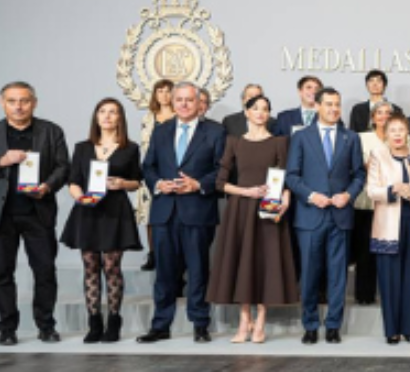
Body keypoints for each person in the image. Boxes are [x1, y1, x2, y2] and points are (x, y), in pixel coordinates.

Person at [0, 81, 70, 345]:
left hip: (38, 212)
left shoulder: (51, 131)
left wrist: (47, 187)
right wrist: (2, 161)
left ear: (34, 102)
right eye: (12, 101)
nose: (19, 106)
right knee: (2, 273)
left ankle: (46, 326)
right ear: (2, 103)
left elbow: (63, 167)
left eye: (24, 100)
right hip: (1, 215)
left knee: (45, 272)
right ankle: (7, 329)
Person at [137, 81, 227, 343]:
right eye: (179, 100)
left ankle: (200, 324)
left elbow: (222, 170)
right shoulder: (161, 130)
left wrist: (199, 184)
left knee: (198, 269)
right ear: (172, 102)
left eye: (190, 100)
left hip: (197, 209)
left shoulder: (215, 131)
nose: (184, 104)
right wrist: (157, 183)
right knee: (164, 271)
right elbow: (148, 166)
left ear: (200, 103)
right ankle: (160, 326)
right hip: (165, 210)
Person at [207, 94, 299, 343]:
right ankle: (244, 321)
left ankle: (260, 322)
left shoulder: (280, 142)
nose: (260, 112)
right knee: (242, 263)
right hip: (240, 210)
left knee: (265, 263)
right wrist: (246, 191)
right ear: (246, 112)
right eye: (255, 108)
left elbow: (287, 177)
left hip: (269, 209)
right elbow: (220, 183)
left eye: (265, 109)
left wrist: (286, 198)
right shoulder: (234, 142)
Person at [285, 87, 366, 344]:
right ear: (317, 106)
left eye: (337, 104)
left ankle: (333, 325)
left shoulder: (350, 138)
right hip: (310, 215)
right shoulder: (301, 137)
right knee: (309, 274)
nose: (333, 109)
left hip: (340, 216)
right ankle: (310, 325)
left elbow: (359, 175)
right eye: (328, 104)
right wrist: (311, 196)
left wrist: (348, 195)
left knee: (338, 274)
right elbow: (291, 175)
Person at [60, 98, 143, 343]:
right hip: (88, 210)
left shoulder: (130, 147)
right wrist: (80, 198)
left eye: (113, 112)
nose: (107, 116)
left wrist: (121, 183)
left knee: (112, 267)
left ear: (120, 118)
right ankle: (94, 323)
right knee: (90, 268)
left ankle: (114, 322)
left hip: (115, 211)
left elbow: (137, 181)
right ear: (96, 117)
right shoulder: (82, 147)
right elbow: (73, 180)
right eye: (102, 111)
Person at [367, 113, 410, 344]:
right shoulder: (378, 155)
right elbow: (371, 191)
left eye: (401, 130)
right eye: (392, 130)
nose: (397, 134)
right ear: (386, 133)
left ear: (408, 133)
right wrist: (394, 189)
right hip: (388, 223)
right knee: (389, 278)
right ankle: (392, 331)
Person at [350, 102, 392, 306]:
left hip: (391, 202)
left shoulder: (402, 137)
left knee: (387, 249)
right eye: (379, 113)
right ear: (373, 117)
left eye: (387, 113)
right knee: (364, 249)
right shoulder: (361, 138)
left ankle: (386, 292)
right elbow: (355, 164)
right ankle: (363, 293)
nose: (383, 116)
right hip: (365, 200)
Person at [136, 78, 175, 270]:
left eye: (168, 91)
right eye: (160, 91)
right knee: (149, 216)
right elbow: (145, 147)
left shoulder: (179, 116)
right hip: (151, 171)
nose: (164, 95)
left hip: (171, 170)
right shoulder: (148, 118)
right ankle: (152, 253)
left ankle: (170, 253)